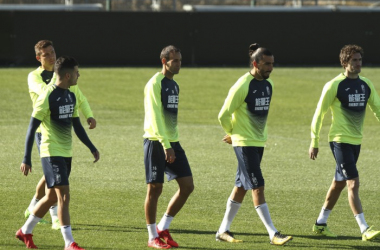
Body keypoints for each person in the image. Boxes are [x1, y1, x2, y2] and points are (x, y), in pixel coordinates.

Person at [16, 56, 100, 250]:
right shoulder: (47, 96)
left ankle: (25, 231)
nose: (79, 75)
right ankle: (69, 242)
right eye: (77, 72)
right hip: (51, 152)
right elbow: (31, 128)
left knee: (52, 197)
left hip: (66, 153)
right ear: (68, 75)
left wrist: (91, 146)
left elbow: (77, 126)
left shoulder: (70, 95)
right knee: (64, 196)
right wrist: (26, 157)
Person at [216, 43, 292, 246]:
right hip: (244, 144)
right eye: (266, 64)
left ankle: (223, 230)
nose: (270, 68)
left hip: (259, 142)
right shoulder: (242, 85)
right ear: (255, 63)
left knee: (241, 187)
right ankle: (273, 233)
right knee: (258, 186)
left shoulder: (269, 85)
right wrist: (232, 134)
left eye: (272, 64)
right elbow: (223, 114)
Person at [309, 44, 380, 241]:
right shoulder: (334, 86)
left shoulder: (366, 84)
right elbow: (319, 114)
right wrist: (314, 140)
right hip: (339, 141)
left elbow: (378, 109)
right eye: (354, 60)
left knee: (339, 183)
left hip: (356, 142)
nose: (358, 64)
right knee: (353, 182)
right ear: (344, 63)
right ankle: (364, 228)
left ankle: (320, 223)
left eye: (360, 60)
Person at [143, 45, 194, 249]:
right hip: (156, 142)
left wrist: (172, 143)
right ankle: (151, 236)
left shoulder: (174, 85)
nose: (179, 64)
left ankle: (163, 228)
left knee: (188, 186)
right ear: (164, 61)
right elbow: (155, 118)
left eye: (180, 60)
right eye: (175, 61)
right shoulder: (155, 83)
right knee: (155, 189)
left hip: (172, 142)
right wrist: (166, 145)